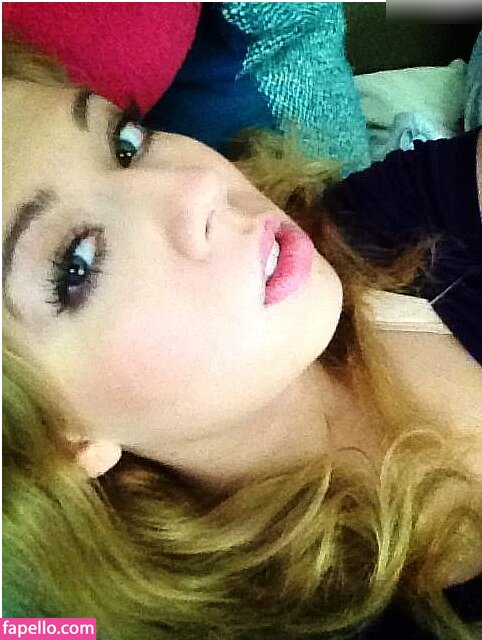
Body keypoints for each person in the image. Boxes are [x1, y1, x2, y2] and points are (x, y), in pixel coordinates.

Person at [3, 36, 482, 640]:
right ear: (58, 441)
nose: (198, 184)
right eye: (78, 263)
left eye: (125, 144)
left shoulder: (388, 223)